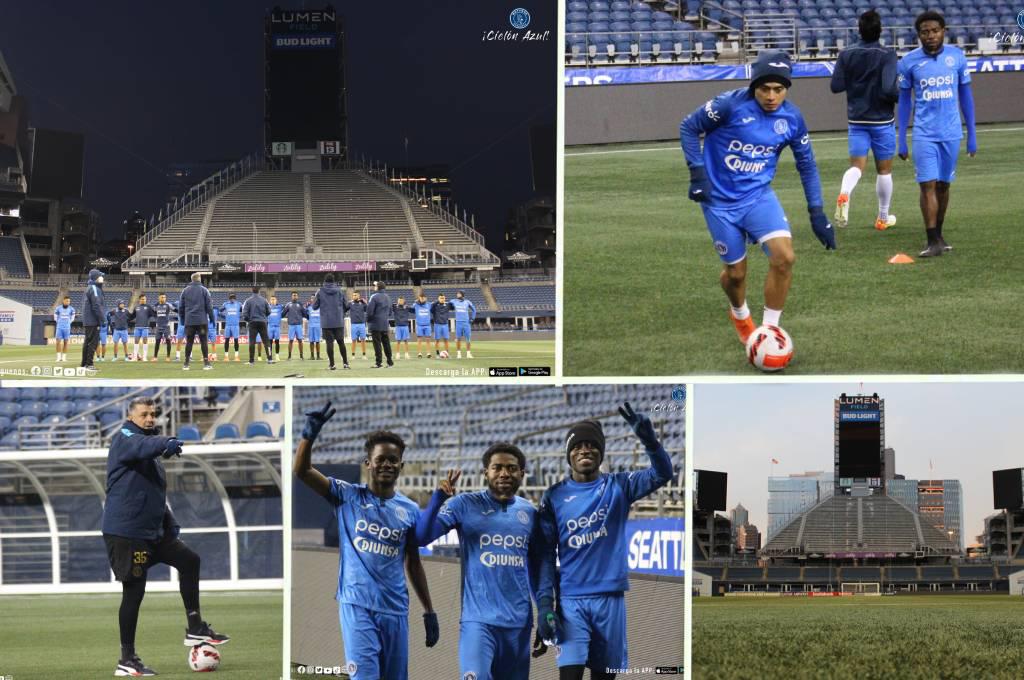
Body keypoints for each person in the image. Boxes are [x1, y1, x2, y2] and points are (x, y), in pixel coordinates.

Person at [680, 50, 834, 344]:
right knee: (736, 274)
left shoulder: (792, 118)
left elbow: (807, 165)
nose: (771, 96)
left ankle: (770, 332)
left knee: (785, 257)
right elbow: (689, 126)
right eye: (764, 88)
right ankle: (739, 314)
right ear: (754, 86)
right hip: (719, 202)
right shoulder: (728, 105)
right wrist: (697, 173)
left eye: (778, 89)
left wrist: (817, 212)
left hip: (758, 197)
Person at [294, 403, 439, 680]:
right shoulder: (346, 495)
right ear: (368, 463)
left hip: (395, 609)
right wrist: (308, 435)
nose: (386, 464)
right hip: (357, 605)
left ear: (401, 465)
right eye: (381, 459)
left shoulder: (409, 510)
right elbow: (302, 471)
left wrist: (429, 610)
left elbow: (414, 563)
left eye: (392, 460)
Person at [536, 403, 674, 680]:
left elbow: (663, 474)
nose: (584, 450)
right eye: (577, 446)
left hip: (610, 601)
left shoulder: (619, 486)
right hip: (571, 602)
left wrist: (650, 441)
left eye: (591, 445)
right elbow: (546, 556)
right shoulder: (554, 496)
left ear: (601, 452)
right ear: (568, 455)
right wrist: (544, 606)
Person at [102, 397, 229, 676]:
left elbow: (153, 492)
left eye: (154, 414)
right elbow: (143, 444)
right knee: (134, 592)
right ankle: (127, 659)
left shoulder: (150, 450)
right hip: (127, 532)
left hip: (152, 532)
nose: (150, 418)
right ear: (131, 416)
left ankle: (195, 628)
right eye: (145, 414)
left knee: (189, 560)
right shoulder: (125, 436)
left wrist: (169, 522)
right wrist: (165, 441)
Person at [415, 444, 554, 680]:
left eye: (512, 468)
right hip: (478, 623)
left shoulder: (530, 513)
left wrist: (542, 612)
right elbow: (421, 537)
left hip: (518, 625)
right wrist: (438, 498)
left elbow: (536, 569)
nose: (504, 473)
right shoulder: (464, 504)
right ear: (485, 473)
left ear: (522, 474)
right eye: (497, 467)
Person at [897, 10, 977, 258]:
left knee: (943, 186)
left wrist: (972, 133)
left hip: (952, 133)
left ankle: (939, 235)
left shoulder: (957, 57)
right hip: (924, 134)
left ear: (944, 31)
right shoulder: (908, 62)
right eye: (924, 32)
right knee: (927, 185)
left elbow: (966, 96)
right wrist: (901, 138)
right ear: (918, 35)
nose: (930, 36)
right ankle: (931, 240)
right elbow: (904, 102)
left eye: (934, 31)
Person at [830, 9, 900, 231]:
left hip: (857, 120)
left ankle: (845, 193)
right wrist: (898, 96)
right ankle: (882, 217)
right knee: (884, 170)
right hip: (881, 120)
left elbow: (835, 86)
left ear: (858, 30)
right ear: (880, 31)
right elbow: (889, 87)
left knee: (857, 167)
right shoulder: (887, 54)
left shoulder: (846, 54)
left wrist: (855, 79)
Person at [312, 274, 350, 370]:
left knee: (329, 343)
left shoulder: (320, 291)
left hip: (326, 321)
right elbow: (346, 305)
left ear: (325, 281)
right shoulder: (340, 291)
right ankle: (345, 363)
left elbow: (314, 307)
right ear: (333, 281)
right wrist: (341, 312)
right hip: (338, 320)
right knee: (341, 342)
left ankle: (332, 365)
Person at [177, 272, 214, 371]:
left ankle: (186, 364)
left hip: (189, 321)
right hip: (202, 321)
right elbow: (209, 307)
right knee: (203, 341)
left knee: (189, 342)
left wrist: (182, 320)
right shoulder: (205, 290)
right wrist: (212, 319)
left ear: (192, 279)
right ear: (199, 279)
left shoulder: (185, 291)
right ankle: (206, 363)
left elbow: (180, 307)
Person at [80, 268, 105, 370]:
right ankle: (89, 364)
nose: (102, 278)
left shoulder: (89, 287)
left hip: (88, 320)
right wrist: (103, 319)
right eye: (101, 276)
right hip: (93, 320)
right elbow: (96, 305)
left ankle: (84, 364)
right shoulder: (94, 288)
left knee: (87, 342)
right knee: (93, 342)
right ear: (96, 278)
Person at [242, 286, 274, 364]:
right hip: (262, 322)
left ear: (252, 291)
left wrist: (249, 320)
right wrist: (263, 317)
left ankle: (251, 361)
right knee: (266, 341)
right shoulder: (264, 300)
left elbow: (244, 314)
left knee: (252, 342)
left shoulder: (248, 301)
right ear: (259, 291)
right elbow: (269, 311)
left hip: (253, 322)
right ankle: (270, 359)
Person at [366, 281, 394, 368]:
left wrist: (368, 320)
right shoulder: (388, 297)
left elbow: (370, 312)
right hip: (385, 324)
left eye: (375, 286)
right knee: (386, 343)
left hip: (375, 324)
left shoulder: (374, 297)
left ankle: (379, 363)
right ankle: (390, 362)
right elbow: (390, 312)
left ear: (378, 287)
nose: (374, 287)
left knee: (377, 344)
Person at [451, 290, 476, 359]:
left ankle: (468, 354)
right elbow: (447, 305)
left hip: (466, 323)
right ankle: (459, 354)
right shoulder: (453, 301)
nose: (457, 295)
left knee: (468, 338)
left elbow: (474, 309)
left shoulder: (467, 302)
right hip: (458, 322)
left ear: (462, 295)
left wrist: (472, 318)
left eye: (458, 294)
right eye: (457, 293)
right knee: (458, 338)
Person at [131, 294, 156, 362]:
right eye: (142, 299)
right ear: (139, 300)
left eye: (145, 299)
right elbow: (132, 316)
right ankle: (135, 357)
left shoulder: (148, 307)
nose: (144, 300)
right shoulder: (136, 307)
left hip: (145, 327)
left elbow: (154, 314)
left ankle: (144, 357)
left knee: (145, 342)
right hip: (137, 327)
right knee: (136, 341)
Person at [284, 292, 307, 360]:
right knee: (290, 340)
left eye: (296, 295)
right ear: (291, 297)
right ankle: (289, 356)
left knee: (300, 340)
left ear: (298, 297)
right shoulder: (288, 305)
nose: (294, 296)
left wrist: (308, 317)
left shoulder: (300, 304)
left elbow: (304, 313)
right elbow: (283, 313)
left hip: (299, 325)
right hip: (291, 325)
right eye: (293, 295)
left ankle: (301, 356)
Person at [152, 294, 175, 362]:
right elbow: (153, 312)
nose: (163, 298)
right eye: (162, 297)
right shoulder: (156, 306)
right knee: (157, 342)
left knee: (168, 341)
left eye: (164, 297)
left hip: (166, 326)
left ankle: (168, 357)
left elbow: (175, 310)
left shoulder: (168, 305)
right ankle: (155, 357)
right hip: (158, 326)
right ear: (159, 298)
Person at [219, 293, 243, 362]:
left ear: (235, 298)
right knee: (226, 340)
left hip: (235, 325)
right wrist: (224, 317)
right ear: (229, 298)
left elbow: (244, 311)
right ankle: (226, 356)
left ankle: (236, 356)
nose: (232, 299)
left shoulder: (239, 304)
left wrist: (239, 317)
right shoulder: (225, 304)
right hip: (228, 325)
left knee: (236, 340)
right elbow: (220, 311)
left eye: (233, 297)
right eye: (231, 297)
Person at [431, 294, 454, 358]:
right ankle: (437, 353)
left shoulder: (447, 305)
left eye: (443, 298)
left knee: (446, 340)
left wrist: (452, 302)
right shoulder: (435, 305)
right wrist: (436, 302)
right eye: (441, 298)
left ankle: (447, 353)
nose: (442, 299)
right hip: (437, 324)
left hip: (445, 324)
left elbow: (453, 307)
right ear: (438, 299)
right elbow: (431, 310)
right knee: (437, 340)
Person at [53, 295, 75, 362]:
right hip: (59, 327)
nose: (68, 302)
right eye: (67, 301)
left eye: (69, 301)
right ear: (63, 301)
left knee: (66, 342)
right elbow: (55, 317)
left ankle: (64, 357)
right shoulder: (58, 308)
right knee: (58, 342)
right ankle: (58, 357)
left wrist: (69, 322)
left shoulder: (72, 309)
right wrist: (59, 322)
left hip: (67, 328)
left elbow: (73, 317)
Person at [349, 291, 369, 360]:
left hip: (362, 324)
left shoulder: (362, 303)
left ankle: (364, 355)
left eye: (355, 295)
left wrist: (366, 303)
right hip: (353, 324)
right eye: (353, 295)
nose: (354, 296)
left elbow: (368, 310)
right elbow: (344, 308)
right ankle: (353, 355)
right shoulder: (350, 303)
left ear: (358, 296)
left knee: (363, 340)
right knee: (354, 340)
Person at [412, 293, 433, 358]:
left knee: (428, 339)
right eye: (421, 298)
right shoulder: (415, 305)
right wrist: (416, 302)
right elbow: (411, 309)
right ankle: (419, 353)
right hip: (419, 325)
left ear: (426, 298)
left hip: (427, 325)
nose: (422, 299)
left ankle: (428, 353)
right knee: (419, 339)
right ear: (419, 298)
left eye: (423, 298)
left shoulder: (429, 305)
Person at [265, 295, 284, 361]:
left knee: (277, 342)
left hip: (277, 327)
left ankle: (277, 356)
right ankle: (269, 356)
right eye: (272, 299)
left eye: (274, 299)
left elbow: (286, 308)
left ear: (276, 300)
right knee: (269, 342)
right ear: (270, 301)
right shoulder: (267, 307)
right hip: (270, 327)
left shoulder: (280, 307)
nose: (273, 301)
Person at [306, 296, 322, 360]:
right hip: (311, 326)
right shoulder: (309, 308)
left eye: (315, 298)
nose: (313, 299)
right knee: (311, 341)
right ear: (311, 300)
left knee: (317, 341)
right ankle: (312, 356)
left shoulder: (320, 308)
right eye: (312, 298)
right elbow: (306, 315)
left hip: (318, 326)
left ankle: (318, 356)